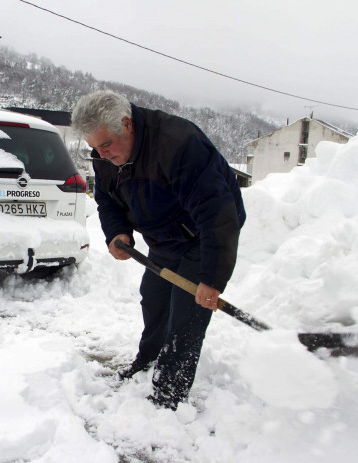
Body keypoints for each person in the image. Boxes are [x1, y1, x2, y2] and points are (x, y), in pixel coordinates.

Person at [71, 90, 245, 410]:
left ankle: (168, 396)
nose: (102, 154)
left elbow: (219, 216)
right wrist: (116, 232)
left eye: (106, 144)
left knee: (186, 319)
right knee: (154, 302)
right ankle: (147, 363)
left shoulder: (178, 144)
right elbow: (107, 199)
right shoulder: (105, 153)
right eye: (95, 147)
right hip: (162, 239)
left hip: (200, 238)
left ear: (126, 124)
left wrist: (212, 277)